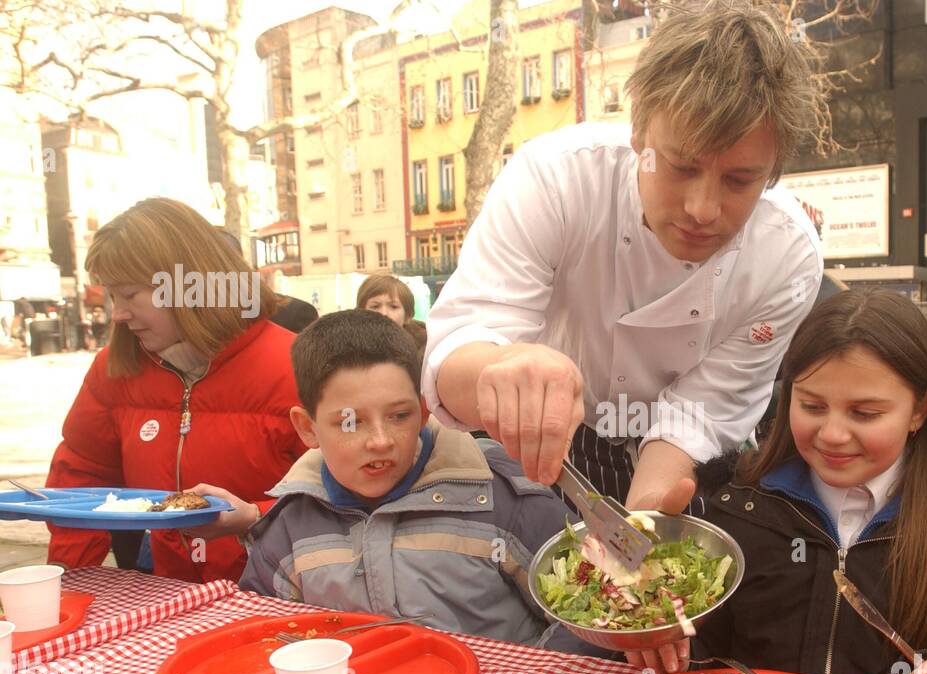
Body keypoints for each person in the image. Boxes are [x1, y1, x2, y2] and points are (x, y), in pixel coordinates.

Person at [422, 0, 826, 515]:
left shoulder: (786, 257)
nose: (703, 210)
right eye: (680, 166)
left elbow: (700, 414)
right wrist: (498, 365)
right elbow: (455, 356)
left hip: (677, 457)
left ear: (773, 170)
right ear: (638, 129)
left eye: (740, 180)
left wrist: (643, 524)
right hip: (541, 441)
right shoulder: (556, 180)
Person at [629, 290, 927, 674]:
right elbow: (703, 649)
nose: (832, 434)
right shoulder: (734, 503)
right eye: (812, 405)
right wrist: (660, 620)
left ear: (921, 409)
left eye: (865, 413)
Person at [239, 311, 578, 648]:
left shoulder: (502, 496)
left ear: (425, 410)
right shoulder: (290, 528)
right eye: (350, 422)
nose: (380, 440)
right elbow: (265, 634)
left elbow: (584, 612)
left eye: (400, 415)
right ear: (307, 428)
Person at [45, 197, 305, 583]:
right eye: (113, 296)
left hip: (285, 599)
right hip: (171, 598)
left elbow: (349, 493)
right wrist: (71, 582)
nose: (117, 313)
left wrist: (256, 516)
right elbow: (79, 479)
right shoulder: (114, 369)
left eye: (130, 294)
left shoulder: (298, 367)